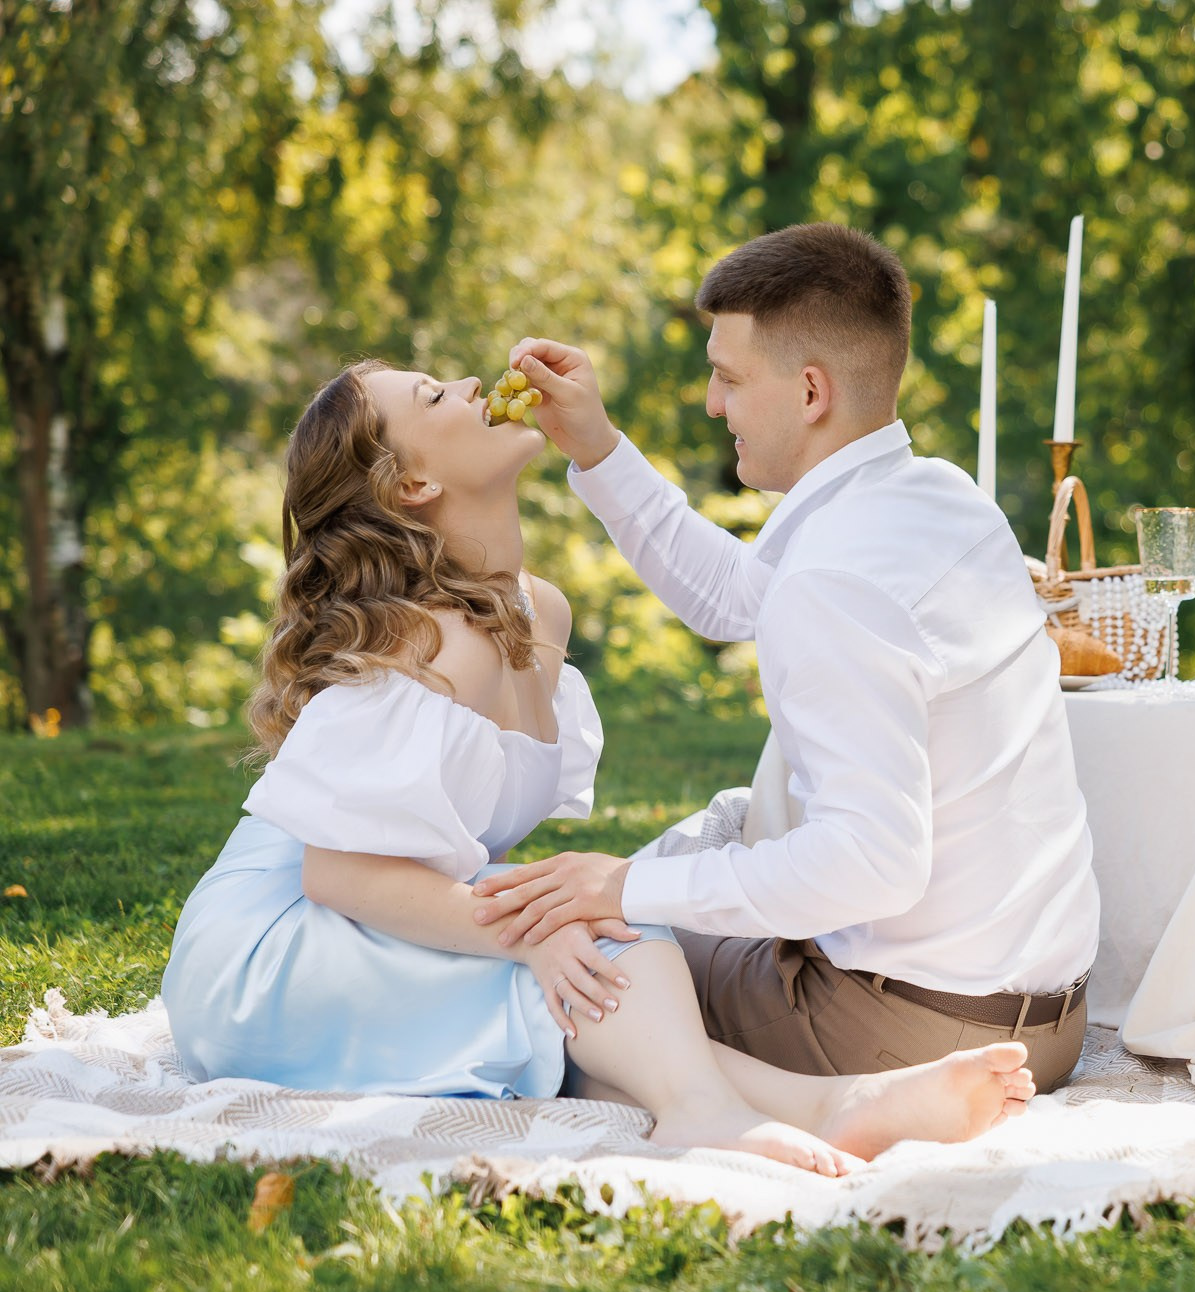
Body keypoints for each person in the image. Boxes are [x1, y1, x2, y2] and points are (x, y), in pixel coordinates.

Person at [160, 359, 1035, 1177]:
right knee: (601, 926)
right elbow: (335, 871)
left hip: (376, 913)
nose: (468, 382)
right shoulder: (424, 643)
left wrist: (541, 930)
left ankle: (833, 1103)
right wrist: (531, 933)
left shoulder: (537, 611)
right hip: (270, 948)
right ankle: (709, 1108)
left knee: (589, 953)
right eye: (432, 395)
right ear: (411, 485)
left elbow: (748, 598)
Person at [471, 223, 1100, 1088]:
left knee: (586, 955)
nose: (712, 404)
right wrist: (598, 447)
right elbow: (733, 594)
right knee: (647, 906)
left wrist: (621, 888)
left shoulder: (834, 576)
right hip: (1050, 1022)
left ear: (810, 392)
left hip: (917, 1031)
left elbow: (870, 863)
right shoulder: (939, 498)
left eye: (729, 378)